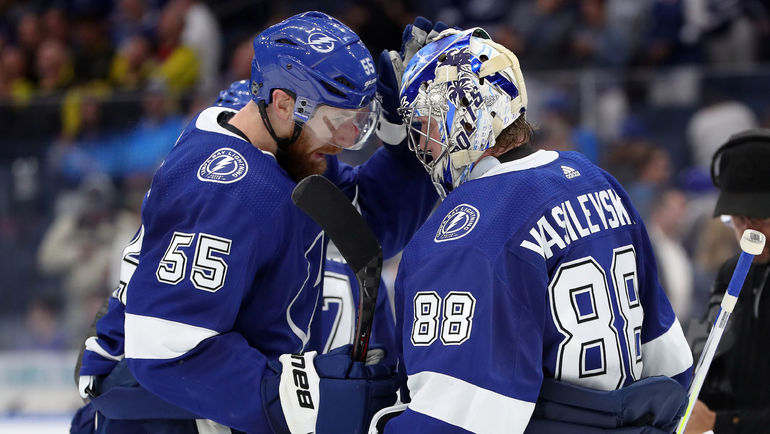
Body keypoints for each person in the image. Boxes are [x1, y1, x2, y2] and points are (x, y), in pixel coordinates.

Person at [70, 12, 439, 434]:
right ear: (282, 102)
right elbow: (170, 347)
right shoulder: (225, 188)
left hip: (209, 404)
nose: (342, 143)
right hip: (163, 417)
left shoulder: (283, 150)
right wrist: (298, 396)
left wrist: (405, 142)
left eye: (356, 126)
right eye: (335, 123)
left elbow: (364, 225)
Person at [373, 27, 694, 433]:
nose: (423, 146)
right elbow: (672, 366)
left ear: (468, 119)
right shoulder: (594, 179)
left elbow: (454, 421)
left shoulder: (469, 231)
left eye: (425, 125)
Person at [684, 129, 770, 434]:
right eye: (737, 217)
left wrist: (722, 423)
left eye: (759, 217)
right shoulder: (730, 272)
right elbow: (707, 354)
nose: (748, 228)